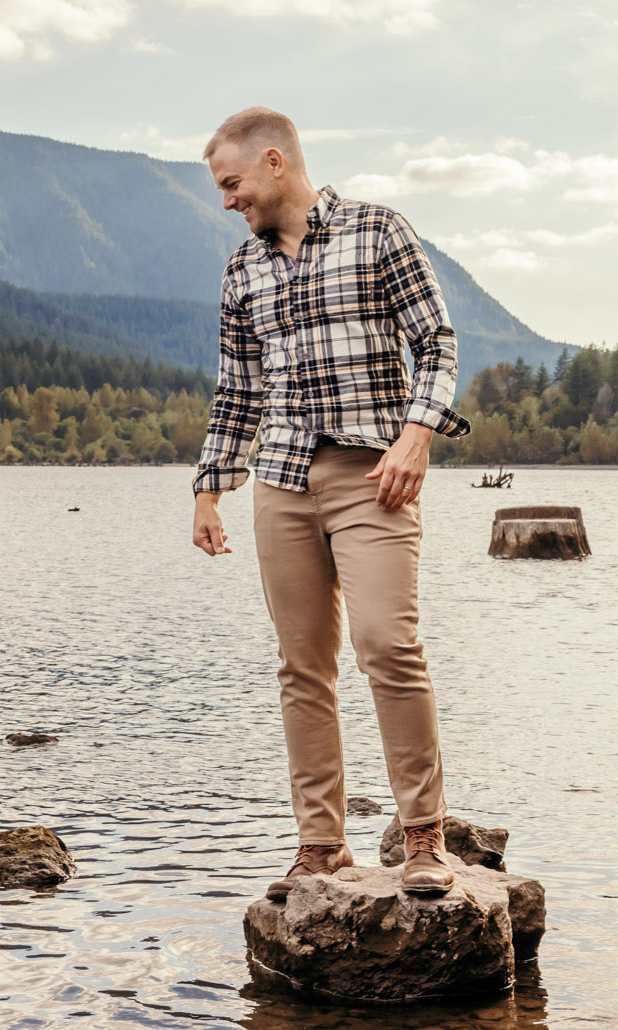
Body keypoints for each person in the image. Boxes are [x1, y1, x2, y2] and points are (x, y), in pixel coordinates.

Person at [190, 107, 471, 901]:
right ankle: (321, 846)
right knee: (302, 667)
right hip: (280, 483)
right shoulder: (241, 272)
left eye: (232, 183)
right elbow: (237, 390)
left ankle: (424, 839)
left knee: (388, 644)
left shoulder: (379, 231)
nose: (227, 201)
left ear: (275, 162)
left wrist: (416, 437)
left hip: (371, 475)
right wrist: (210, 487)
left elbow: (439, 343)